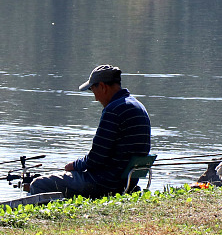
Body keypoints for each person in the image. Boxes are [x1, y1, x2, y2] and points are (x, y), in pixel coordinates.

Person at [29, 65, 151, 197]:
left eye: (93, 90)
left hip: (104, 183)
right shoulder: (139, 106)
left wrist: (75, 165)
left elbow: (96, 158)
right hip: (127, 182)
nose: (96, 98)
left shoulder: (114, 110)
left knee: (38, 184)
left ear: (103, 87)